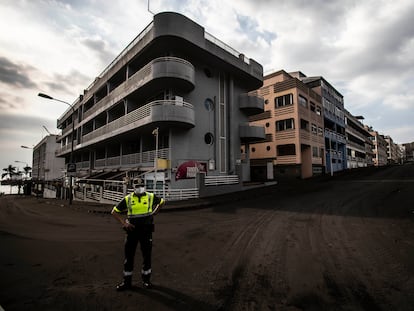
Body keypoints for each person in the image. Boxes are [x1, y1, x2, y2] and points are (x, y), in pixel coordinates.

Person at [111, 178, 165, 291]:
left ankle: (146, 280)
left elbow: (162, 202)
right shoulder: (128, 198)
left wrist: (155, 212)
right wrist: (124, 223)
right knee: (129, 257)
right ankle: (127, 282)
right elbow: (114, 212)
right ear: (133, 187)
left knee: (147, 256)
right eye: (137, 186)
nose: (139, 188)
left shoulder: (150, 196)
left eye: (141, 185)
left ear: (144, 186)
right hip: (132, 232)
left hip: (146, 231)